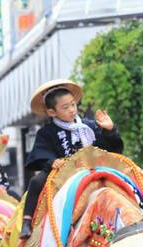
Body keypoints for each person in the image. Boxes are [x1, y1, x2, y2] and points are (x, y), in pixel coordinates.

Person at [21, 82, 123, 225]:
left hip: (93, 168)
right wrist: (51, 161)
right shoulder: (46, 132)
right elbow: (41, 154)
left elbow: (108, 149)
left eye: (73, 104)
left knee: (129, 174)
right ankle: (27, 222)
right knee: (36, 181)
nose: (72, 110)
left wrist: (109, 130)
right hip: (62, 173)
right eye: (65, 107)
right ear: (52, 112)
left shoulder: (90, 126)